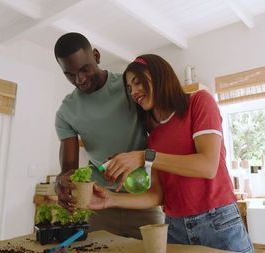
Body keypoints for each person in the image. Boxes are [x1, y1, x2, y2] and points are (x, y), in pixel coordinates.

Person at [89, 54, 254, 252]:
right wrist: (110, 199)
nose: (133, 92)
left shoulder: (199, 102)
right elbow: (157, 196)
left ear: (159, 75)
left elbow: (208, 166)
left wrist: (144, 156)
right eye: (129, 88)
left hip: (218, 223)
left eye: (137, 82)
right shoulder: (155, 137)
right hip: (175, 229)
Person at [53, 33, 164, 239]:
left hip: (144, 201)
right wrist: (61, 183)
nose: (80, 79)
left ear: (96, 55)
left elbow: (162, 140)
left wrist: (137, 158)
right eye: (69, 74)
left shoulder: (129, 88)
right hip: (100, 205)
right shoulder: (67, 112)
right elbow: (69, 169)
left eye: (84, 69)